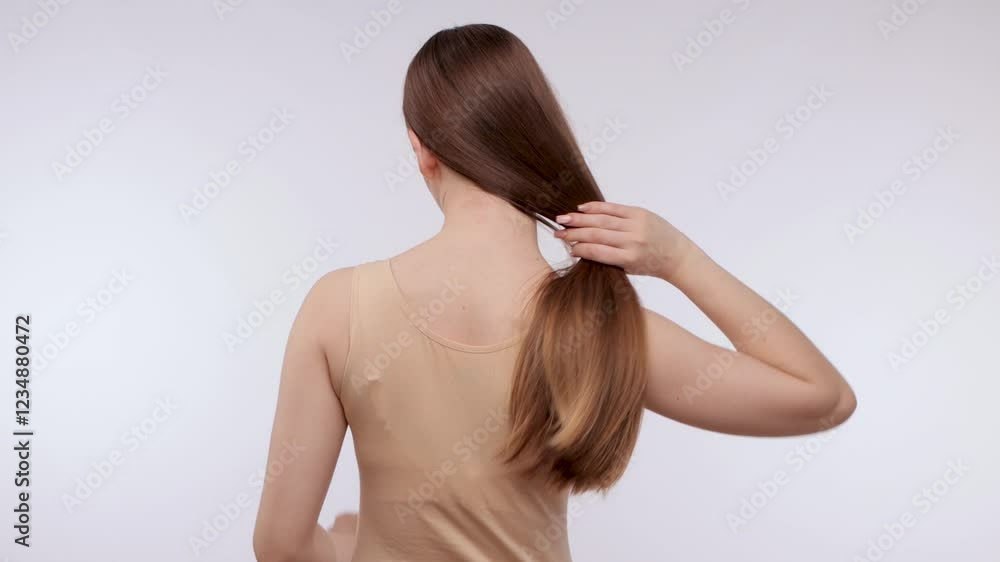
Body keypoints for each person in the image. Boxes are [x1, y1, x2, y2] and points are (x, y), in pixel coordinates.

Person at [252, 23, 856, 562]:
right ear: (535, 139)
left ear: (420, 149)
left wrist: (349, 545)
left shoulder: (337, 307)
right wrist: (679, 259)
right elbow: (823, 398)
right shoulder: (595, 324)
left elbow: (280, 547)